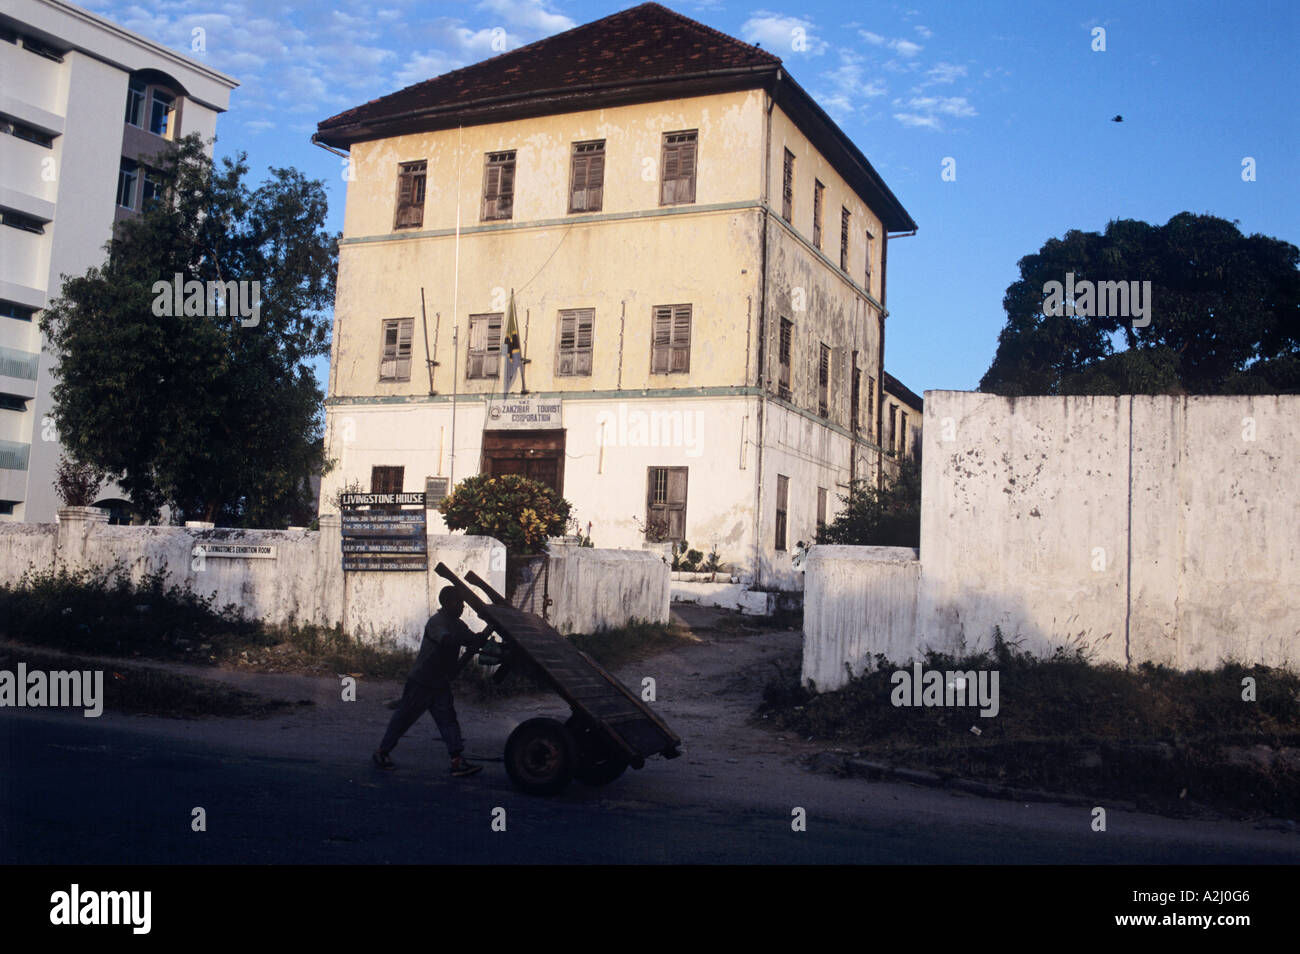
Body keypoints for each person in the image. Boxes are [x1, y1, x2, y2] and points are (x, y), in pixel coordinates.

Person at [373, 586, 483, 777]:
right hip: (422, 681)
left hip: (440, 683)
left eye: (462, 603)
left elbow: (470, 639)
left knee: (448, 721)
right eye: (459, 602)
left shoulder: (457, 624)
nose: (463, 607)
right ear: (447, 603)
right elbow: (447, 640)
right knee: (404, 718)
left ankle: (457, 761)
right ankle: (382, 752)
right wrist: (472, 640)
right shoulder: (436, 622)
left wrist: (480, 640)